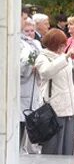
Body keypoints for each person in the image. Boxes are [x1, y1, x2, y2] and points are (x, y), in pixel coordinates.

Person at [35, 29, 74, 155]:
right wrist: (67, 55)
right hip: (53, 107)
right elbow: (46, 72)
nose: (64, 47)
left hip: (68, 107)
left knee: (67, 146)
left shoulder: (63, 58)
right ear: (54, 44)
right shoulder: (43, 57)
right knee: (53, 146)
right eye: (61, 45)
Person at [19, 17, 42, 154]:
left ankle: (31, 146)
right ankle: (21, 147)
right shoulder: (20, 44)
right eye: (27, 30)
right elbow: (20, 66)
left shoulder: (37, 44)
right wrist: (30, 67)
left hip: (36, 84)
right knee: (23, 117)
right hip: (24, 85)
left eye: (32, 30)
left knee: (33, 117)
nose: (30, 33)